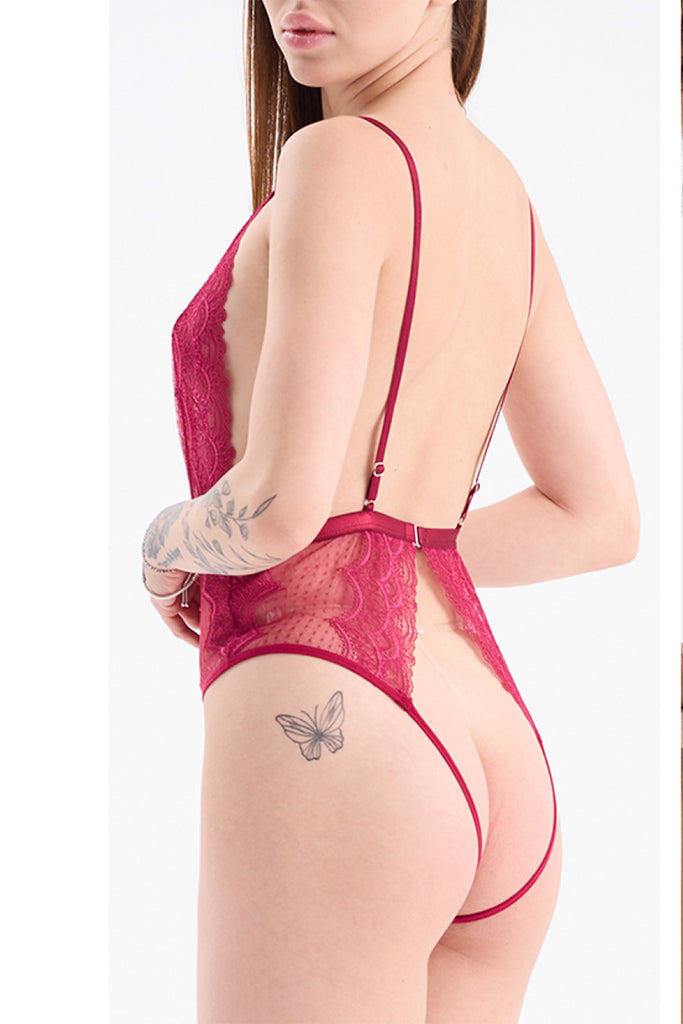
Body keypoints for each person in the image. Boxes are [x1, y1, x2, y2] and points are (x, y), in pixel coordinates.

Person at [141, 2, 639, 1021]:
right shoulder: (502, 198)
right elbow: (594, 514)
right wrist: (390, 550)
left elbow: (277, 508)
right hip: (489, 741)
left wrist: (164, 545)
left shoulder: (337, 159)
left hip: (334, 729)